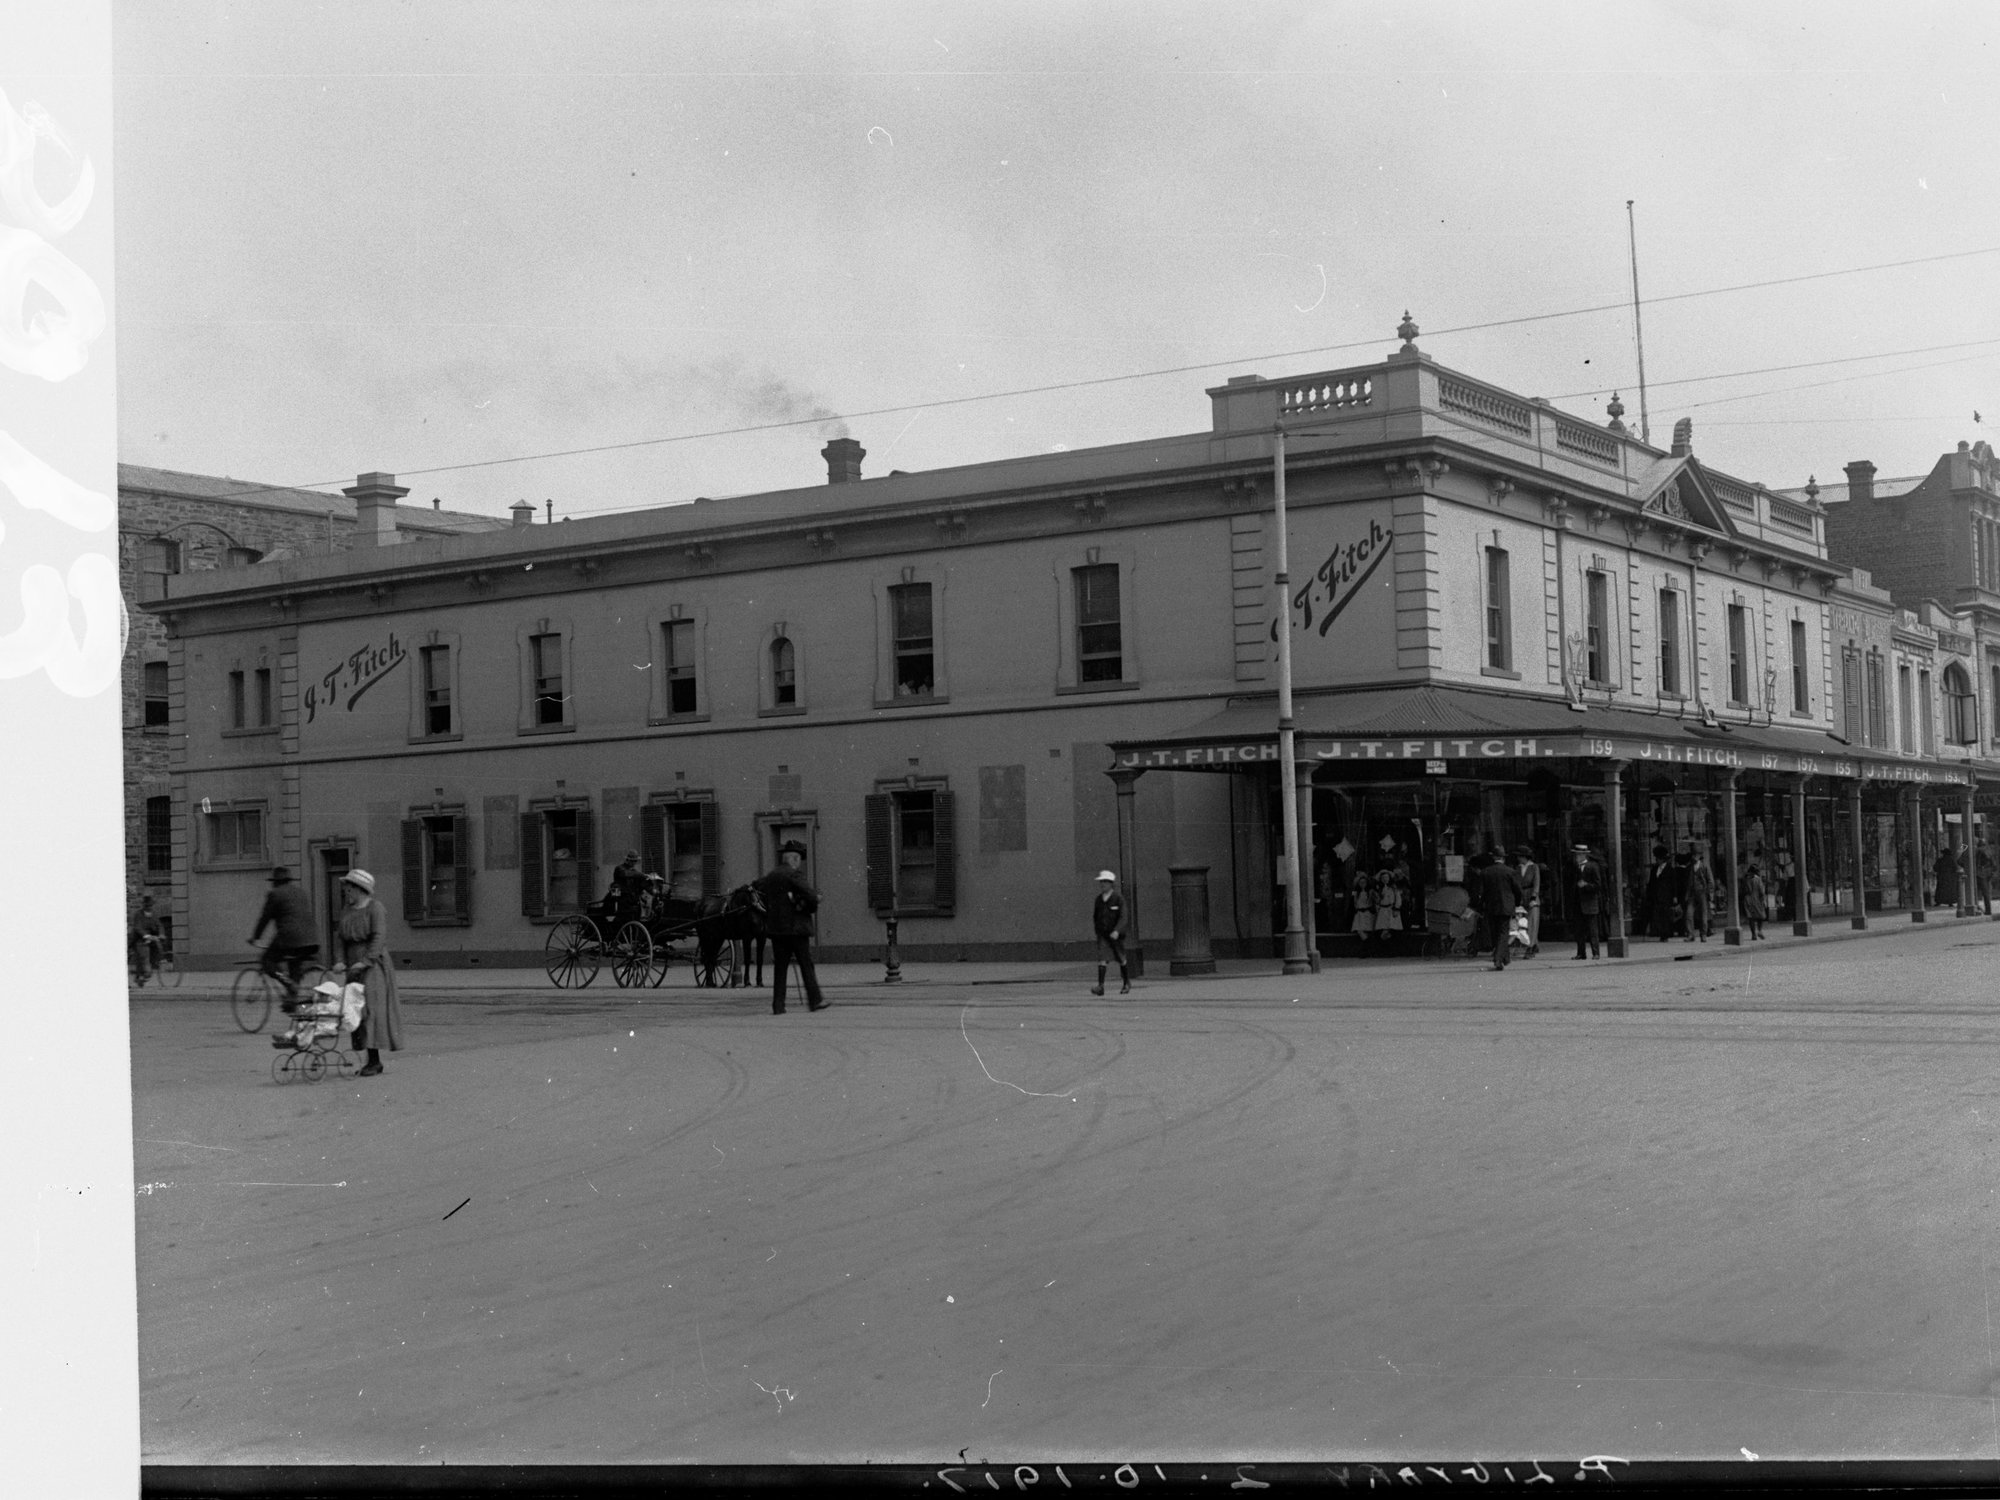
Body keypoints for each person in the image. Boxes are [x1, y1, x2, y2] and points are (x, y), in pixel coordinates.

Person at [334, 869, 401, 1076]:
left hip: (373, 965)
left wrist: (365, 962)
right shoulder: (346, 910)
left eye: (349, 887)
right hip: (352, 963)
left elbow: (379, 938)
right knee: (355, 1009)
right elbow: (340, 938)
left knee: (370, 1009)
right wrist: (340, 960)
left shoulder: (375, 908)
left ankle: (374, 1061)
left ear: (359, 889)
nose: (346, 891)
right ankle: (368, 1058)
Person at [753, 840, 824, 1013]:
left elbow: (757, 890)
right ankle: (815, 1001)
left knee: (780, 968)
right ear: (794, 859)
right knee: (806, 964)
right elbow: (811, 895)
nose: (799, 863)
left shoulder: (770, 877)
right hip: (797, 929)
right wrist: (815, 900)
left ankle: (778, 1005)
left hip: (777, 930)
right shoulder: (794, 875)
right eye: (799, 860)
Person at [250, 866, 318, 1003]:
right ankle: (292, 1002)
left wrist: (255, 937)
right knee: (294, 962)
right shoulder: (300, 892)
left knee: (267, 961)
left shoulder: (275, 894)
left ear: (276, 882)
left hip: (290, 937)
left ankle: (289, 984)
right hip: (312, 938)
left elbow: (265, 918)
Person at [1475, 854, 1525, 970]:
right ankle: (1498, 958)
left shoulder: (1486, 872)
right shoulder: (1510, 872)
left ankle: (1505, 957)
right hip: (1506, 906)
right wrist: (1517, 903)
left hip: (1491, 906)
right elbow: (1517, 890)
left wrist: (1480, 906)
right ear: (1503, 859)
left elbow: (1480, 892)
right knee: (1503, 932)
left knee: (1495, 931)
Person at [1089, 869, 1131, 995]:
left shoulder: (1118, 899)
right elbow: (1096, 916)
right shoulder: (1098, 900)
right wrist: (1098, 931)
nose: (1103, 884)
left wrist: (1117, 930)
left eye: (1105, 882)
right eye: (1101, 881)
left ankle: (1126, 982)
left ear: (1111, 883)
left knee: (1121, 958)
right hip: (1103, 934)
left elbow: (1123, 917)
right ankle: (1100, 986)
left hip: (1116, 936)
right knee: (1102, 958)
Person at [1568, 843, 1604, 959]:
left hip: (1590, 903)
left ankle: (1596, 953)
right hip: (1578, 903)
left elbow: (1598, 885)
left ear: (1584, 855)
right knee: (1579, 930)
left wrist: (1586, 885)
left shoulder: (1593, 866)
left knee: (1593, 930)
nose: (1576, 857)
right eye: (1576, 855)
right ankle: (1581, 953)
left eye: (1578, 855)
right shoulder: (1575, 868)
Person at [1644, 846, 1678, 941]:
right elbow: (1651, 883)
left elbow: (1674, 884)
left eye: (1658, 858)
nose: (1656, 860)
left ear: (1662, 859)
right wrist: (1649, 894)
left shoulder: (1670, 869)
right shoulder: (1654, 869)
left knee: (1665, 915)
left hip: (1666, 895)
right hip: (1656, 895)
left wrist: (1675, 896)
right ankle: (1659, 931)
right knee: (1657, 914)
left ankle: (1666, 934)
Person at [1514, 845, 1542, 957]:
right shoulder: (1518, 868)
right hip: (1521, 897)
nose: (1518, 858)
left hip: (1531, 896)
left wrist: (1533, 897)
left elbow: (1536, 883)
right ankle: (1534, 944)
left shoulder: (1534, 867)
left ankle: (1530, 947)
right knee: (1523, 923)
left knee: (1532, 922)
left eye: (1519, 856)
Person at [129, 896, 164, 983]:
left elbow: (159, 925)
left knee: (158, 949)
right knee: (144, 955)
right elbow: (138, 927)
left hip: (152, 938)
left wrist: (161, 934)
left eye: (150, 905)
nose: (149, 908)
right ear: (144, 906)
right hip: (140, 939)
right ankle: (145, 972)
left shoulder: (154, 914)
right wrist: (146, 935)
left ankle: (154, 965)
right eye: (147, 906)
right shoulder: (138, 914)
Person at [1683, 849, 1714, 942]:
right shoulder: (1690, 867)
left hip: (1702, 892)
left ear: (1699, 856)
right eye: (1693, 855)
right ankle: (1690, 934)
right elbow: (1689, 882)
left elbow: (1710, 881)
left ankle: (1703, 934)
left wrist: (1710, 893)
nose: (1694, 857)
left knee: (1703, 914)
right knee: (1689, 914)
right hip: (1692, 893)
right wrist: (1687, 895)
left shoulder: (1704, 866)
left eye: (1695, 855)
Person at [1742, 860, 1768, 941]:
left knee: (1751, 918)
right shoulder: (1758, 879)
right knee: (1760, 916)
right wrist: (1763, 900)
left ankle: (1753, 934)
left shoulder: (1745, 879)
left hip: (1748, 900)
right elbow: (1761, 891)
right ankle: (1759, 930)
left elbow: (1745, 890)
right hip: (1757, 899)